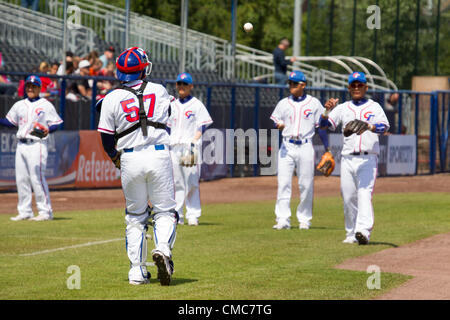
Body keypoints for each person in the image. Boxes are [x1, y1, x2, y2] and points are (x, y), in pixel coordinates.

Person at [97, 46, 177, 286]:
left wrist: (114, 157)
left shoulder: (110, 97)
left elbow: (105, 137)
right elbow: (168, 114)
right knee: (164, 211)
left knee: (135, 217)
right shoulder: (159, 90)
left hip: (130, 157)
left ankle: (136, 272)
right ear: (142, 69)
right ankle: (162, 248)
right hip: (159, 154)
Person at [320, 71, 390, 245]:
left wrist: (369, 126)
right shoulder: (343, 108)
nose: (357, 87)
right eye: (353, 85)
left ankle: (363, 231)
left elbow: (384, 127)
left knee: (364, 194)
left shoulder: (374, 107)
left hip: (368, 158)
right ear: (349, 88)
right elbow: (322, 126)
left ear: (366, 87)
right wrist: (326, 110)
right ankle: (351, 233)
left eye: (360, 85)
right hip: (347, 159)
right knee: (348, 196)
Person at [270, 71, 330, 230]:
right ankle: (282, 219)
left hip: (305, 145)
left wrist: (327, 149)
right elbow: (275, 121)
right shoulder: (283, 103)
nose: (291, 86)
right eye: (290, 83)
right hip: (287, 145)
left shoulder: (314, 103)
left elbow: (321, 127)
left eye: (294, 83)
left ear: (303, 85)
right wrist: (279, 125)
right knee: (283, 183)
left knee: (306, 184)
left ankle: (304, 219)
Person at [0, 75, 63, 221]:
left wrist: (49, 129)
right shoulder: (19, 105)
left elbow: (56, 123)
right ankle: (25, 211)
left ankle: (45, 211)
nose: (30, 88)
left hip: (37, 144)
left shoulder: (45, 104)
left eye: (33, 86)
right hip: (21, 144)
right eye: (28, 86)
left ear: (39, 88)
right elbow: (11, 122)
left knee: (37, 178)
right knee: (21, 179)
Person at [167, 72, 213, 226]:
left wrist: (195, 140)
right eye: (179, 84)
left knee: (191, 180)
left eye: (184, 84)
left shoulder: (196, 104)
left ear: (191, 86)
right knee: (177, 181)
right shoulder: (172, 105)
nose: (181, 87)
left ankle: (192, 214)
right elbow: (167, 127)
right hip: (174, 146)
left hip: (189, 146)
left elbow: (202, 125)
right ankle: (177, 214)